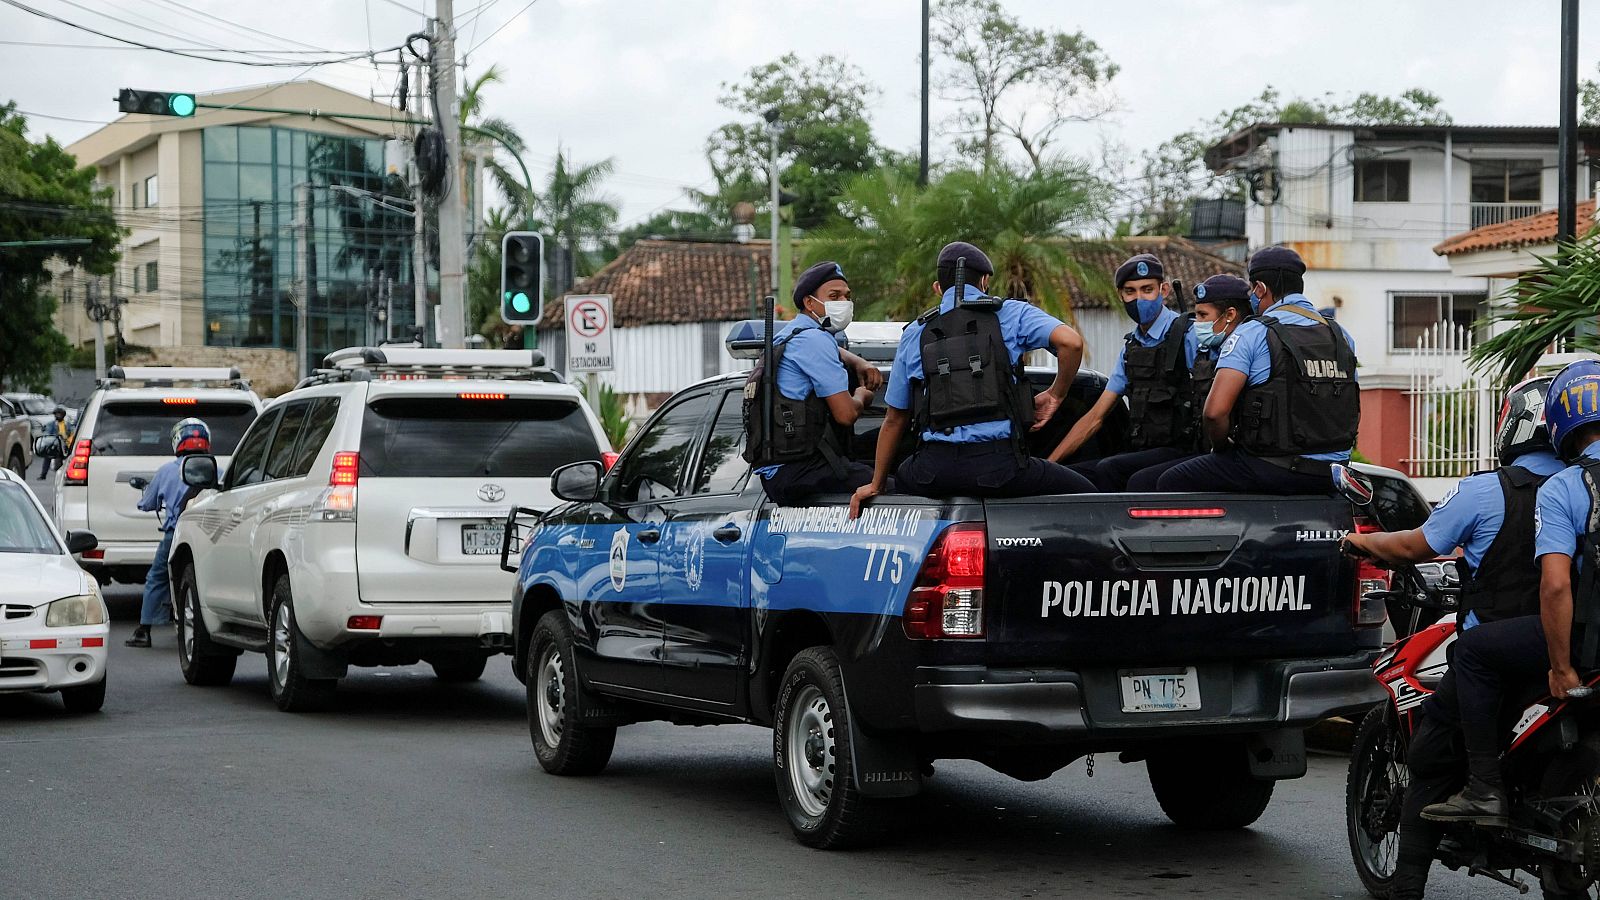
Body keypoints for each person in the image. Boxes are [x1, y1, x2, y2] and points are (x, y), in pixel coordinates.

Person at [1338, 376, 1562, 900]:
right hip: (1568, 649)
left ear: (1513, 425)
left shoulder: (1485, 489)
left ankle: (1408, 885)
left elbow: (1417, 546)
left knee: (1432, 750)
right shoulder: (1582, 486)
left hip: (1498, 656)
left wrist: (1356, 542)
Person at [1416, 361, 1600, 834]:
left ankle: (1484, 788)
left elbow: (1556, 584)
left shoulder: (1566, 485)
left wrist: (1562, 668)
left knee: (1475, 652)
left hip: (1590, 641)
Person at [849, 241, 1092, 517]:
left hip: (932, 474)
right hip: (1000, 470)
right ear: (985, 281)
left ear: (937, 288)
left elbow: (895, 419)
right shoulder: (1011, 313)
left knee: (903, 475)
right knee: (1089, 495)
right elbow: (1071, 343)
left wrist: (876, 484)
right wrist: (1055, 394)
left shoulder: (915, 332)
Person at [1155, 246, 1359, 494]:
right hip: (1333, 473)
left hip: (1271, 468)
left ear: (1261, 288)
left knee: (1168, 481)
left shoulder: (1254, 332)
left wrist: (1221, 449)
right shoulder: (1342, 335)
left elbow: (1214, 413)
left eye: (1253, 289)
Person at [1044, 254, 1199, 491]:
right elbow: (1095, 418)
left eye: (1147, 289)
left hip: (1183, 451)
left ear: (1164, 290)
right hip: (1144, 451)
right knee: (1073, 476)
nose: (1139, 299)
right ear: (1120, 295)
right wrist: (1048, 466)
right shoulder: (1131, 348)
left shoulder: (1187, 335)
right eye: (1131, 291)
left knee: (1111, 470)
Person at [747, 260, 884, 505]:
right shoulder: (814, 341)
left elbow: (824, 348)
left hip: (780, 472)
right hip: (802, 470)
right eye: (834, 296)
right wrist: (863, 394)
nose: (843, 302)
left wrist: (858, 362)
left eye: (846, 296)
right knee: (891, 483)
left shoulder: (789, 336)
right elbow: (846, 415)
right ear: (810, 303)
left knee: (879, 446)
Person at [1119, 274, 1256, 493]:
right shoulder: (1204, 352)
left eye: (1203, 316)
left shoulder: (1247, 349)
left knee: (1149, 482)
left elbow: (1216, 414)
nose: (1197, 324)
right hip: (1202, 448)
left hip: (1237, 455)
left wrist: (1220, 447)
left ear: (1230, 315)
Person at [125, 417, 211, 648]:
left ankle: (144, 630)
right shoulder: (217, 468)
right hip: (209, 536)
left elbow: (147, 503)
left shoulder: (166, 471)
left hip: (176, 534)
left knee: (157, 578)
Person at [36, 406, 69, 480]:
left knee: (67, 459)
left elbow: (70, 433)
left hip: (65, 444)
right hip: (54, 443)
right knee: (47, 457)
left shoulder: (67, 424)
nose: (58, 416)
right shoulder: (52, 424)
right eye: (56, 414)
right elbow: (47, 433)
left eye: (59, 414)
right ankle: (43, 474)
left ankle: (65, 474)